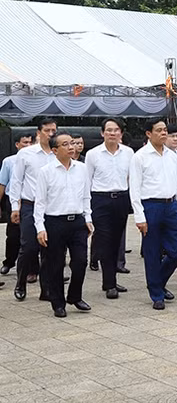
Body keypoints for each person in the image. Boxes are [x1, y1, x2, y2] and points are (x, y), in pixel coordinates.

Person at [34, 132, 94, 317]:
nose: (71, 147)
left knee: (81, 261)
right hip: (54, 222)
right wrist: (40, 228)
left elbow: (86, 196)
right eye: (65, 144)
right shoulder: (46, 172)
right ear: (54, 150)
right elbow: (40, 202)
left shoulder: (82, 169)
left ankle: (75, 296)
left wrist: (88, 218)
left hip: (77, 222)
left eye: (73, 143)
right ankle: (58, 303)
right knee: (56, 264)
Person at [129, 118, 177, 310]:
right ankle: (157, 294)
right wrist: (139, 216)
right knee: (152, 252)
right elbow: (134, 188)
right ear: (148, 133)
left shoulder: (173, 156)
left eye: (165, 130)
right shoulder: (140, 157)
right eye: (159, 130)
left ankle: (157, 281)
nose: (164, 133)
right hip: (150, 206)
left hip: (171, 206)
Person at [9, 118, 58, 301]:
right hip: (30, 205)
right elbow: (16, 180)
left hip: (52, 207)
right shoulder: (27, 154)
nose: (51, 134)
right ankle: (21, 282)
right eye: (47, 130)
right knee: (29, 247)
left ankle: (46, 288)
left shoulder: (58, 153)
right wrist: (15, 206)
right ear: (38, 133)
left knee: (49, 249)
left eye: (54, 130)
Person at [85, 118, 134, 299]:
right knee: (105, 240)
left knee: (116, 241)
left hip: (121, 199)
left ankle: (111, 278)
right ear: (102, 133)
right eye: (109, 130)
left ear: (121, 133)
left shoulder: (129, 153)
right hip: (100, 200)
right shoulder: (93, 154)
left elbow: (131, 178)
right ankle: (109, 283)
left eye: (116, 130)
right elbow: (87, 181)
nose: (112, 133)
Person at [0, 131, 33, 276]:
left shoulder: (38, 159)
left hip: (30, 201)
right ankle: (9, 262)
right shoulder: (9, 161)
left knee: (31, 236)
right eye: (24, 142)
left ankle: (33, 269)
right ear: (17, 145)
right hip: (12, 200)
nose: (28, 145)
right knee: (13, 235)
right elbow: (2, 183)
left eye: (30, 142)